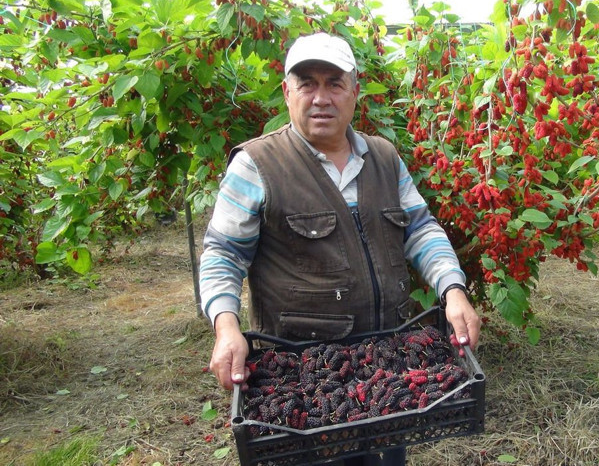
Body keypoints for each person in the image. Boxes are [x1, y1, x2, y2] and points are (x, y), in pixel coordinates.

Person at [199, 32, 480, 465]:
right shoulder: (256, 165)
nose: (321, 97)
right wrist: (225, 326)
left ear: (354, 92)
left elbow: (420, 229)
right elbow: (224, 253)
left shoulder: (384, 158)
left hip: (386, 364)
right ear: (287, 91)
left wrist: (453, 289)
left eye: (334, 83)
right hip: (302, 376)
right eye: (307, 83)